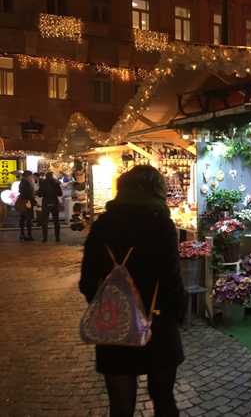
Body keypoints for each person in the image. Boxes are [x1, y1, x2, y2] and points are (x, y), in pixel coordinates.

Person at [79, 165, 187, 417]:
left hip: (115, 323)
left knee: (120, 405)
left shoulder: (103, 225)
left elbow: (87, 280)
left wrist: (109, 304)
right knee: (163, 400)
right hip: (157, 323)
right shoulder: (161, 223)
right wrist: (178, 313)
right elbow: (171, 278)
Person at [38, 172, 63, 242]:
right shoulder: (56, 183)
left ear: (46, 176)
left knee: (45, 221)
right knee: (56, 221)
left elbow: (40, 194)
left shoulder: (43, 183)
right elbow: (60, 194)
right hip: (54, 202)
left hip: (46, 203)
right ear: (52, 176)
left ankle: (45, 238)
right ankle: (57, 238)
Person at [18, 170, 36, 241]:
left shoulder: (22, 182)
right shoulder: (27, 183)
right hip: (27, 202)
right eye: (31, 176)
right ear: (28, 176)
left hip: (22, 202)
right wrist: (34, 201)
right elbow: (29, 194)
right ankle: (29, 235)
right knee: (28, 219)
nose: (31, 177)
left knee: (22, 219)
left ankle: (22, 234)